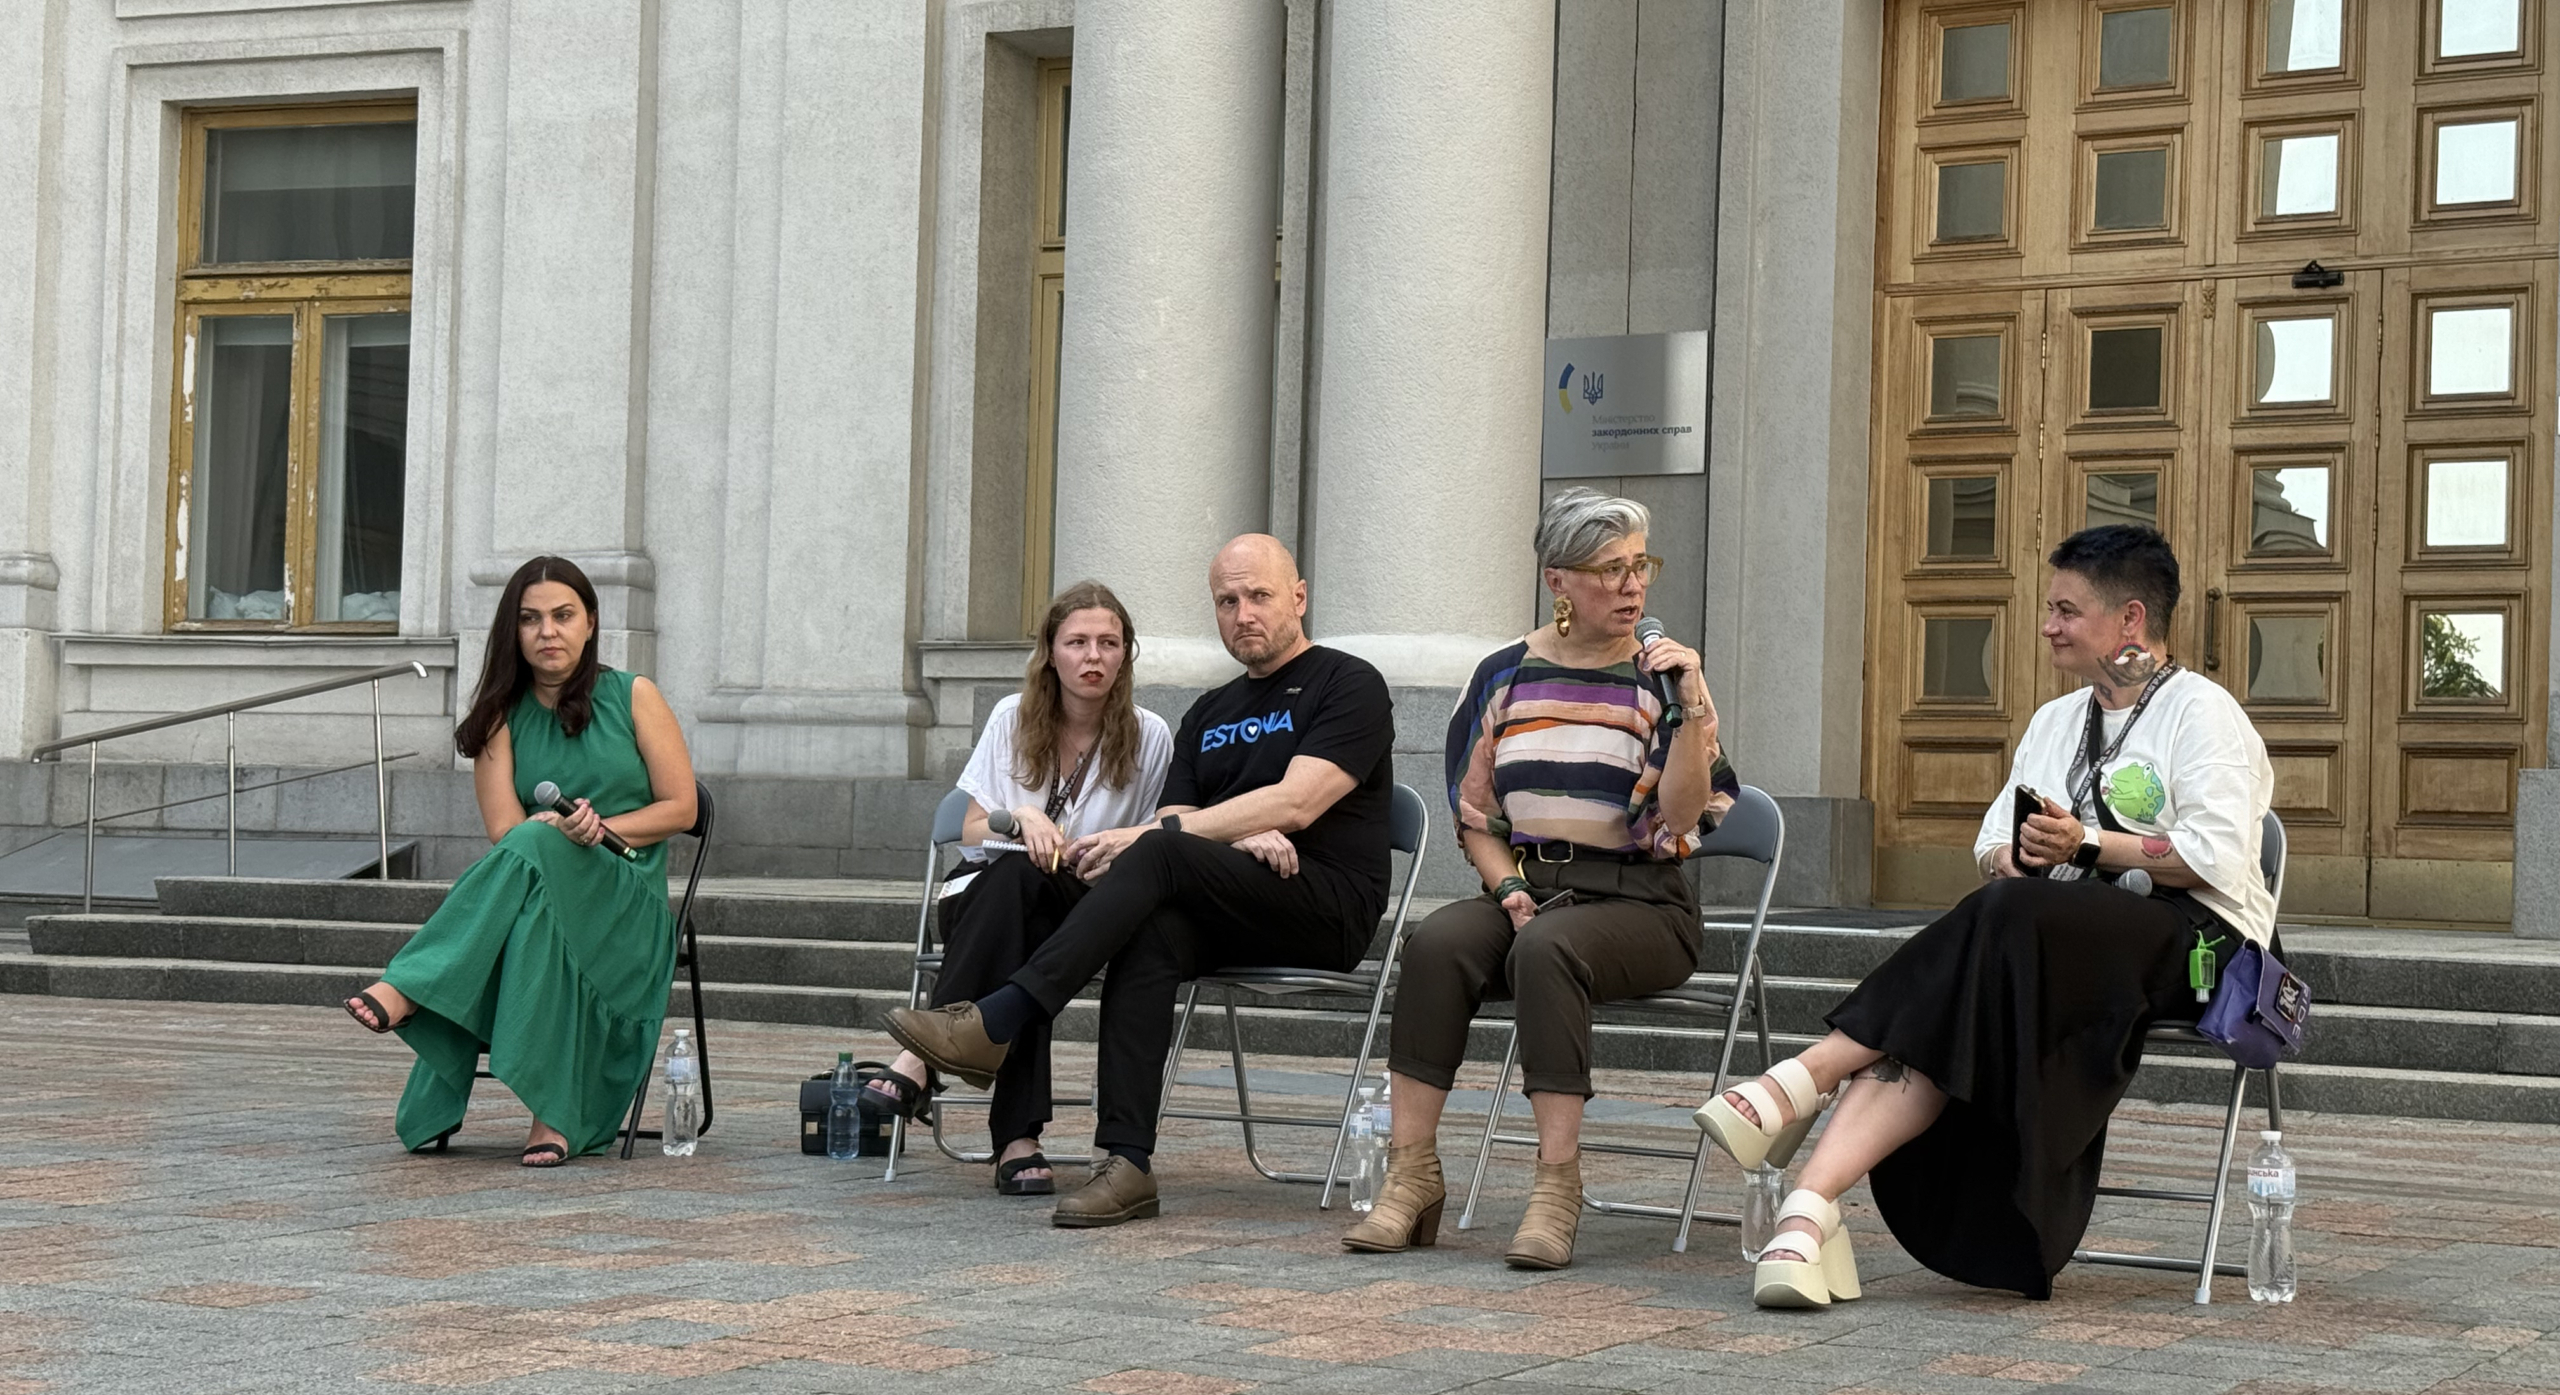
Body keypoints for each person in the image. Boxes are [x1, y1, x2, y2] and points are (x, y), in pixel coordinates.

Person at [1694, 524, 2275, 1306]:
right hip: (2048, 941)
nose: (2047, 626)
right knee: (1970, 973)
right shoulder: (2056, 720)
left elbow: (2217, 857)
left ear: (2130, 620)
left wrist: (2087, 843)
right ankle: (1808, 1206)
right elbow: (1993, 842)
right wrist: (2017, 855)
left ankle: (1808, 1076)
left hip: (2195, 945)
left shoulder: (2202, 714)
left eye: (2066, 610)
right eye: (2050, 608)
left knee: (1999, 922)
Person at [885, 534, 1395, 1228]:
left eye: (1259, 595)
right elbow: (1175, 815)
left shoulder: (1348, 682)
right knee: (1127, 918)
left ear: (1299, 598)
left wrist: (1187, 832)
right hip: (1226, 901)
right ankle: (1127, 1163)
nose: (1243, 613)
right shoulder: (1209, 712)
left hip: (1319, 900)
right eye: (1227, 600)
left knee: (1156, 853)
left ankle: (996, 1019)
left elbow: (1298, 801)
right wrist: (1221, 831)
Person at [1341, 488, 1738, 1269]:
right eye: (1609, 569)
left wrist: (1691, 708)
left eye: (1640, 565)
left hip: (1643, 903)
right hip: (1531, 887)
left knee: (1548, 948)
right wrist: (1505, 887)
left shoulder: (1662, 681)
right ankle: (1411, 1174)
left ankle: (1557, 1187)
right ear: (1559, 579)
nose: (1632, 585)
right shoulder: (1503, 675)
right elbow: (1476, 814)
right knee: (1437, 942)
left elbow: (1683, 816)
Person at [341, 556, 700, 1166]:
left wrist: (596, 828)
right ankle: (551, 1115)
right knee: (531, 860)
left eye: (563, 616)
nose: (547, 632)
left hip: (627, 898)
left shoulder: (634, 695)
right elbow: (505, 833)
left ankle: (410, 985)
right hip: (544, 890)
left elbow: (682, 807)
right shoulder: (499, 717)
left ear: (590, 622)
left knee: (536, 848)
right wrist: (553, 829)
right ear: (513, 630)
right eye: (530, 619)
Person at [861, 582, 1173, 1194]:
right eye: (1077, 642)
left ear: (1125, 654)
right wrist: (1019, 818)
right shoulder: (1013, 716)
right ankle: (1015, 1139)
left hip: (1084, 906)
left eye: (1108, 643)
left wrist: (1112, 851)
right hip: (981, 895)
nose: (1093, 656)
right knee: (1019, 884)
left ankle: (923, 1057)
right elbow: (967, 828)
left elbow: (1156, 838)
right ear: (1050, 652)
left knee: (1033, 908)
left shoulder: (1150, 735)